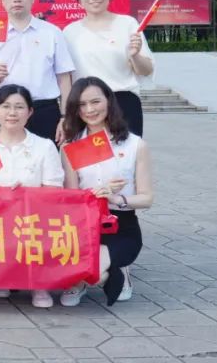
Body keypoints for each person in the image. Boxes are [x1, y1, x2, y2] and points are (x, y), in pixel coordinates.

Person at [0, 84, 65, 309]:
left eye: (19, 107)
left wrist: (26, 194)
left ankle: (39, 283)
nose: (12, 113)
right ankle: (1, 274)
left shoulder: (44, 146)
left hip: (32, 219)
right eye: (6, 106)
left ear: (30, 112)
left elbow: (54, 190)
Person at [59, 77, 153, 307]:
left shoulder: (134, 145)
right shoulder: (71, 146)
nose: (89, 110)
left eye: (95, 102)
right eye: (82, 104)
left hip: (121, 224)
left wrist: (116, 198)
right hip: (85, 226)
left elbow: (147, 198)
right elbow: (72, 196)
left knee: (94, 271)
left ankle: (116, 267)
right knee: (93, 275)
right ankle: (105, 274)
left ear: (109, 101)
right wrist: (93, 194)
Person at [0, 0, 75, 144]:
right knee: (4, 161)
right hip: (5, 113)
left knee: (45, 160)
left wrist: (65, 116)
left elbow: (64, 79)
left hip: (44, 112)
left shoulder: (52, 32)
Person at [63, 0, 154, 136]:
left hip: (123, 103)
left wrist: (134, 55)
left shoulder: (127, 24)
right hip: (86, 107)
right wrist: (66, 113)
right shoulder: (69, 32)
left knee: (126, 151)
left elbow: (147, 70)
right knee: (90, 153)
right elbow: (66, 77)